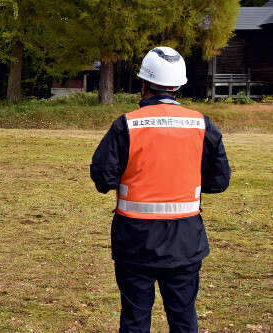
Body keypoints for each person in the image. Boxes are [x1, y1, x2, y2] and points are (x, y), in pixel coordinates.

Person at [90, 46, 231, 332]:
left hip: (135, 241)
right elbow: (219, 181)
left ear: (143, 83)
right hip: (185, 240)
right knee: (183, 318)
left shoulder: (127, 124)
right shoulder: (202, 125)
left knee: (135, 319)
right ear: (179, 85)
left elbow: (103, 177)